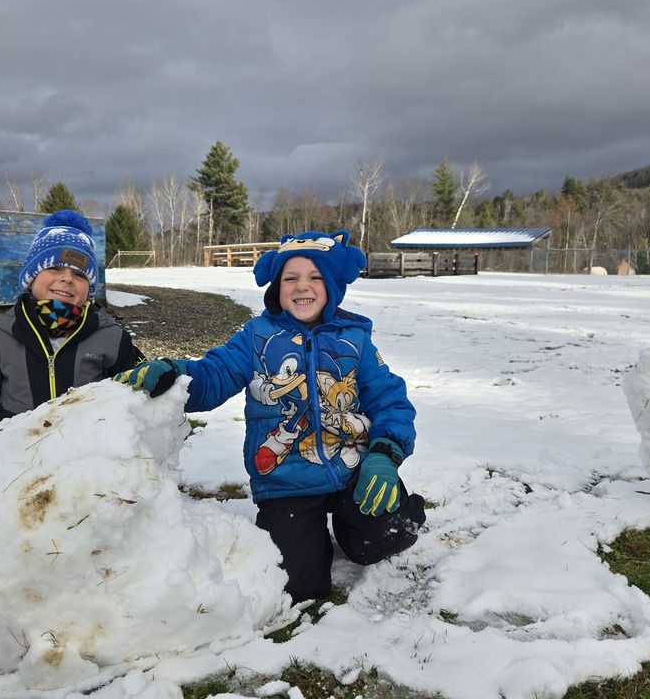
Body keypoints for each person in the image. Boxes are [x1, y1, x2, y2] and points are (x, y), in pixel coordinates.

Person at [118, 230, 426, 603]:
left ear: (331, 286)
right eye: (290, 278)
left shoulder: (354, 340)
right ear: (277, 287)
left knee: (378, 542)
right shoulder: (256, 337)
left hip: (353, 471)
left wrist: (384, 455)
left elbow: (389, 399)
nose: (302, 287)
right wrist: (175, 374)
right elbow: (215, 374)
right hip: (286, 481)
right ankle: (312, 541)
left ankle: (384, 518)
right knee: (300, 587)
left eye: (315, 277)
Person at [0, 210, 145, 439]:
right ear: (30, 278)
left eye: (80, 275)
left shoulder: (109, 336)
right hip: (18, 447)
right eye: (54, 268)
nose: (67, 279)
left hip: (88, 450)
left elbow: (136, 381)